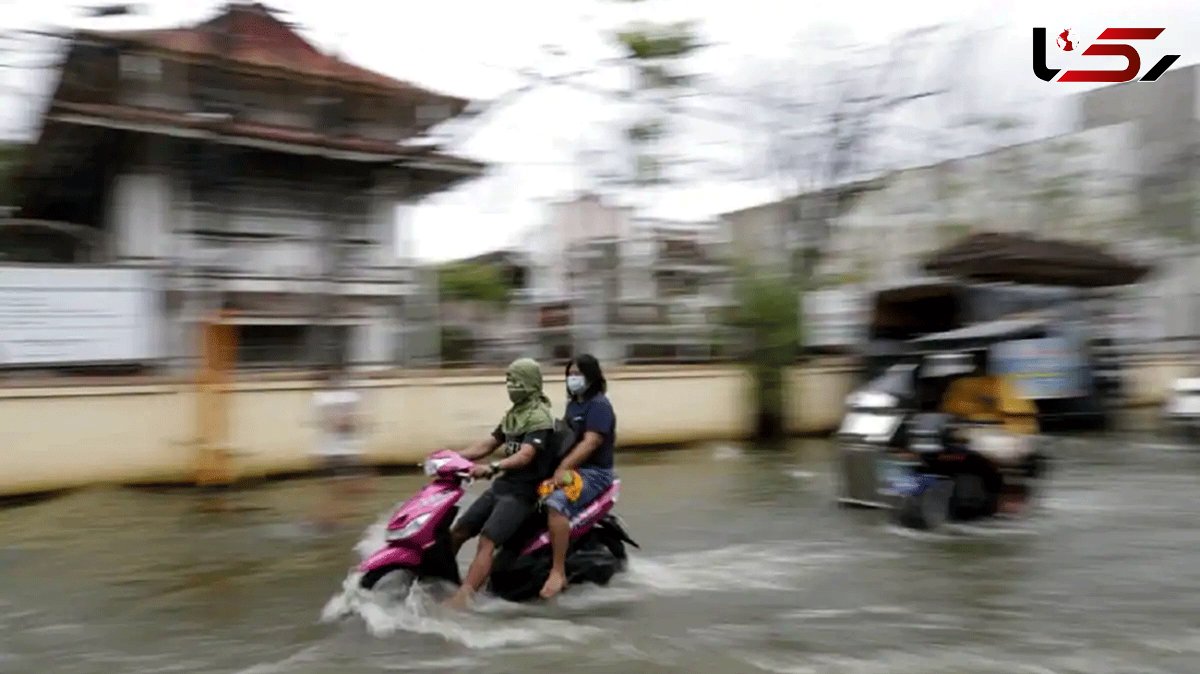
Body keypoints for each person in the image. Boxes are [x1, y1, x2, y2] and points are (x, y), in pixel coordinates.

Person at [445, 357, 557, 609]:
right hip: (503, 487)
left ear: (529, 382)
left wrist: (493, 467)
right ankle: (440, 578)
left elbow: (526, 454)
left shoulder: (540, 418)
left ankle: (464, 597)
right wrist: (452, 457)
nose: (510, 385)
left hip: (524, 493)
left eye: (515, 380)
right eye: (508, 380)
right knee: (458, 532)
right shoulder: (514, 415)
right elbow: (488, 444)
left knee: (487, 540)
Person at [539, 353, 617, 599]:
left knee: (556, 503)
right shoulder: (574, 404)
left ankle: (557, 572)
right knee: (535, 492)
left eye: (578, 374)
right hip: (574, 469)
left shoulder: (599, 406)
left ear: (592, 376)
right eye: (570, 375)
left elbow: (591, 442)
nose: (573, 379)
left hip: (594, 473)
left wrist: (563, 468)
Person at [309, 366, 370, 529]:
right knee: (344, 486)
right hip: (337, 452)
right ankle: (328, 518)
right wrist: (344, 421)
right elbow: (336, 422)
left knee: (343, 486)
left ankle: (331, 517)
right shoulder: (327, 398)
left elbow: (343, 420)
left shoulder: (331, 397)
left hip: (340, 451)